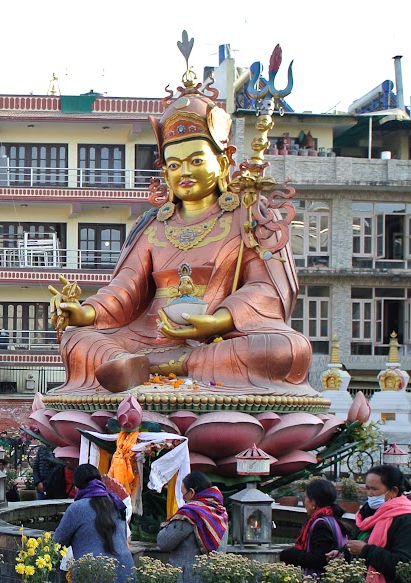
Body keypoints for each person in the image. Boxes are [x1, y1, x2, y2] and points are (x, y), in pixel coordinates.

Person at [49, 68, 314, 396]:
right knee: (76, 338)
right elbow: (125, 290)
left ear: (222, 162)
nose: (184, 172)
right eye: (173, 165)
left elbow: (268, 288)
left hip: (216, 338)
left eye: (196, 161)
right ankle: (127, 364)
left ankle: (175, 367)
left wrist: (219, 321)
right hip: (145, 337)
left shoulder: (249, 214)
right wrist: (84, 312)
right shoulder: (154, 225)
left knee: (287, 348)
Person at [53, 464, 136, 583]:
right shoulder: (116, 503)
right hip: (125, 572)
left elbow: (58, 540)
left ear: (77, 486)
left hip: (93, 576)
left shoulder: (77, 508)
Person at [156, 471, 229, 583]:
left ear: (192, 492)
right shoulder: (219, 511)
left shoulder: (191, 514)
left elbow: (164, 542)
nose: (183, 498)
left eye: (183, 493)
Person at [278, 478, 353, 575]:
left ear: (313, 503)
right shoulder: (334, 519)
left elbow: (319, 558)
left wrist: (290, 555)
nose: (304, 502)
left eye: (305, 498)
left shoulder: (320, 524)